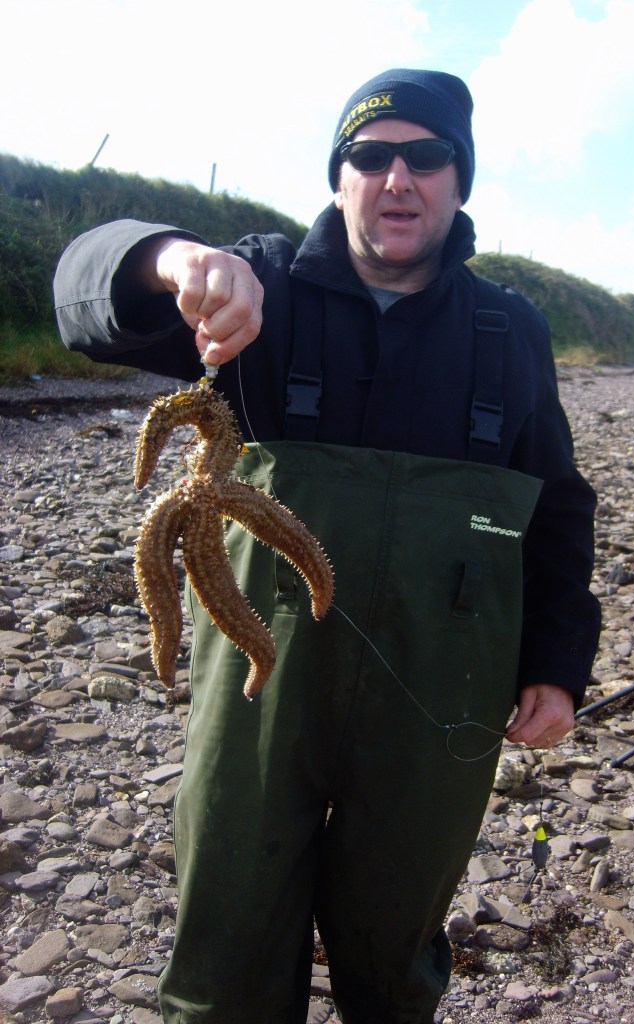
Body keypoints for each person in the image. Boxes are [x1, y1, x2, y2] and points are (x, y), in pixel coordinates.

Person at [54, 69, 601, 1024]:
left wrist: (557, 664)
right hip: (262, 685)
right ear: (339, 176)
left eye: (427, 156)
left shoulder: (509, 330)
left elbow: (555, 509)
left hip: (440, 695)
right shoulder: (255, 291)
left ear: (460, 178)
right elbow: (80, 293)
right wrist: (174, 261)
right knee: (226, 949)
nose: (398, 177)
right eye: (370, 155)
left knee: (394, 959)